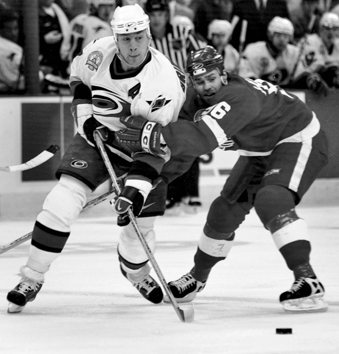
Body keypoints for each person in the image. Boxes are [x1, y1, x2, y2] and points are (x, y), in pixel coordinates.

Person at [113, 45, 329, 313]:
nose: (207, 87)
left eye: (212, 78)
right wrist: (152, 179)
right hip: (259, 150)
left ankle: (307, 278)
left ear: (223, 75)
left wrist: (155, 136)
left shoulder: (240, 96)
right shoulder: (193, 99)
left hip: (298, 138)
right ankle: (197, 278)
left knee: (272, 200)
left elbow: (201, 138)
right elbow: (183, 152)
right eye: (200, 81)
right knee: (222, 211)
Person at [6, 4, 187, 313]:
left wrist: (135, 189)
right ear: (114, 37)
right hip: (95, 140)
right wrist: (86, 118)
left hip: (143, 153)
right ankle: (32, 277)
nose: (132, 46)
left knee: (138, 232)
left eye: (139, 38)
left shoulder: (164, 85)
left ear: (149, 38)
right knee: (62, 202)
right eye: (125, 39)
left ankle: (136, 272)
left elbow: (155, 148)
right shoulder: (98, 51)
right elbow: (79, 79)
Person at [145, 0, 206, 214]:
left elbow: (201, 55)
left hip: (186, 97)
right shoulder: (144, 38)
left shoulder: (181, 30)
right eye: (154, 14)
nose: (158, 18)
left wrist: (198, 84)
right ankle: (171, 195)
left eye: (161, 13)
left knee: (191, 142)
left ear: (167, 15)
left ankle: (191, 194)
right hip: (159, 100)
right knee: (166, 146)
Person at [297, 12, 339, 89]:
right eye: (327, 28)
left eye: (335, 29)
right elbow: (303, 73)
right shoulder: (310, 41)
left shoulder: (337, 44)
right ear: (321, 28)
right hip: (305, 81)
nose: (331, 33)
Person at [38, 0, 70, 82]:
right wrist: (44, 40)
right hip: (43, 64)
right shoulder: (32, 12)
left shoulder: (59, 9)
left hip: (62, 62)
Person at [0, 9, 24, 93]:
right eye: (9, 29)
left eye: (15, 28)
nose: (13, 33)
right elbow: (15, 82)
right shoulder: (10, 49)